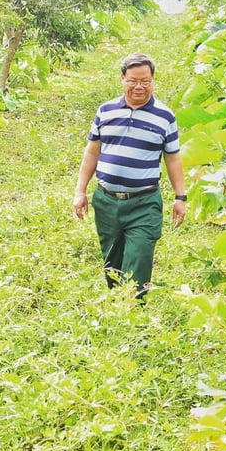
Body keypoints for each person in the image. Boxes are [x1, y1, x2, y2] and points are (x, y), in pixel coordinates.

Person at [73, 52, 186, 298]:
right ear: (122, 79)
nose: (139, 86)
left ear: (153, 80)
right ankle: (118, 309)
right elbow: (92, 152)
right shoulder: (106, 111)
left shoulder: (165, 116)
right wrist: (80, 191)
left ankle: (135, 310)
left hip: (144, 203)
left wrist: (181, 197)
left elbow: (173, 158)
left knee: (139, 260)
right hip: (107, 201)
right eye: (133, 80)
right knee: (112, 263)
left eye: (145, 81)